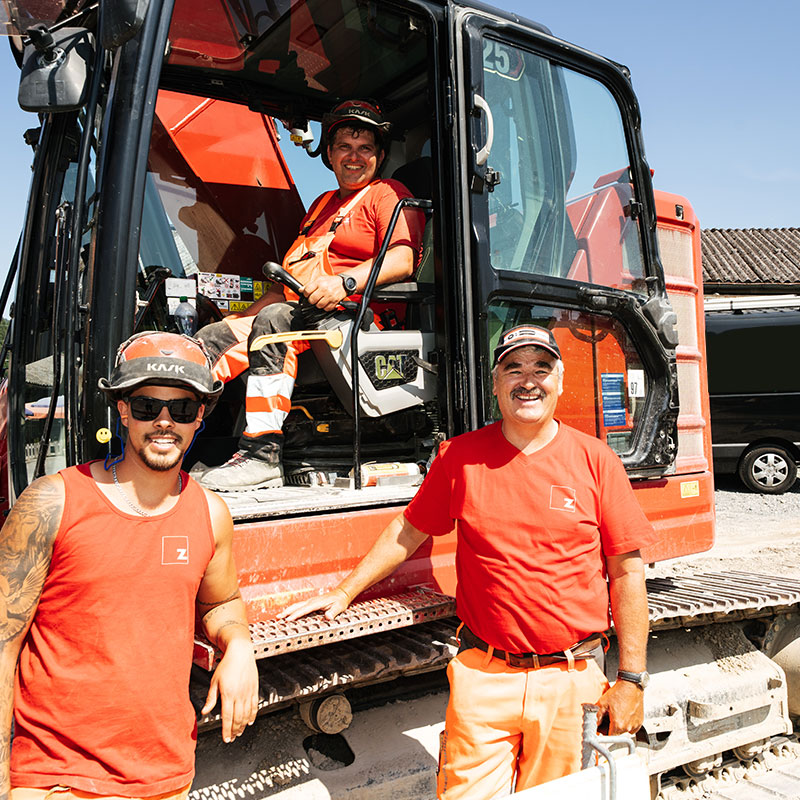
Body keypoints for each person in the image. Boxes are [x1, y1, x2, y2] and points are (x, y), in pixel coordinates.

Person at [280, 324, 655, 798]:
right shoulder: (460, 457)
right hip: (484, 676)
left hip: (571, 679)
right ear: (495, 383)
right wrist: (343, 591)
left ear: (560, 381)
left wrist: (632, 681)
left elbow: (627, 572)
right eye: (513, 369)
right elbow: (408, 530)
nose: (528, 381)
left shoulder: (596, 461)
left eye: (541, 368)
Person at [0, 332, 260, 800]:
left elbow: (221, 602)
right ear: (123, 411)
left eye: (182, 409)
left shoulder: (211, 513)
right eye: (146, 406)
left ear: (199, 417)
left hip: (166, 778)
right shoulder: (52, 503)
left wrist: (239, 645)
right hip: (57, 781)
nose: (164, 422)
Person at [195, 99, 425, 491]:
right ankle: (181, 441)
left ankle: (262, 455)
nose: (354, 157)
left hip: (354, 319)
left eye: (365, 148)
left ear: (380, 156)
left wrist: (344, 283)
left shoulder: (387, 194)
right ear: (330, 155)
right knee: (212, 338)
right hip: (302, 312)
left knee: (274, 325)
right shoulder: (321, 205)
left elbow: (402, 259)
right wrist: (237, 320)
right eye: (344, 147)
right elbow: (286, 284)